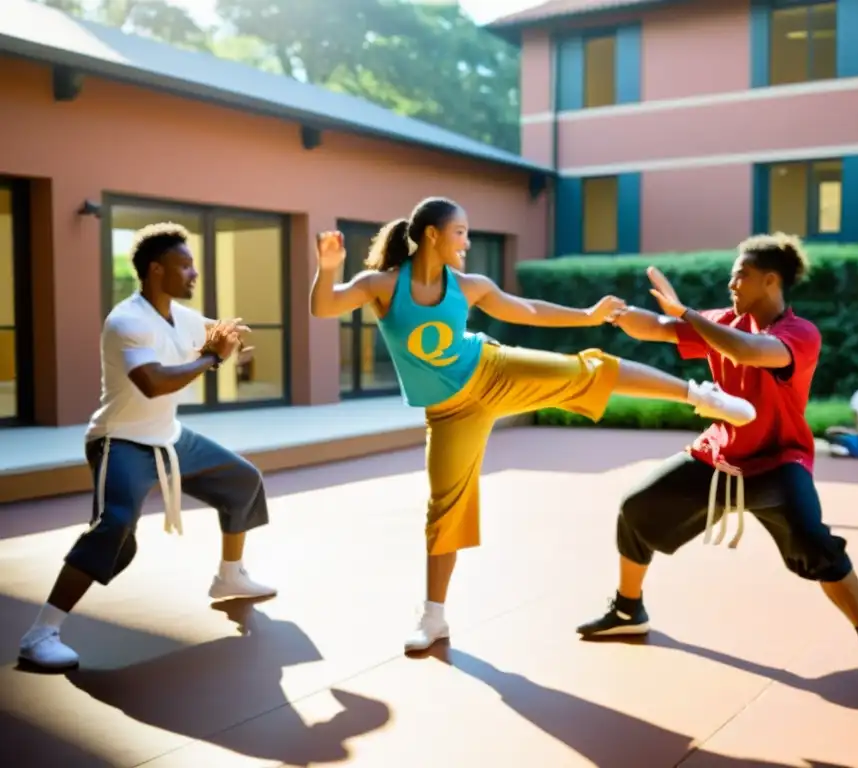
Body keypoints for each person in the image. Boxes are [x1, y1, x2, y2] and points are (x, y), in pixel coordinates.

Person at [309, 196, 757, 654]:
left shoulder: (469, 286)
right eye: (460, 232)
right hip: (450, 411)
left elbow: (528, 310)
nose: (466, 241)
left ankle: (700, 396)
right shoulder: (381, 285)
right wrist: (328, 267)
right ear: (432, 235)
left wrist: (586, 316)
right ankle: (434, 616)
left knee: (588, 370)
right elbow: (324, 307)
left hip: (493, 370)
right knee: (445, 507)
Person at [576, 233, 858, 686]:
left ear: (770, 281)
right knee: (635, 508)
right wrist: (617, 314)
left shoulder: (799, 333)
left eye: (741, 275)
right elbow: (657, 326)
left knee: (816, 544)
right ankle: (627, 609)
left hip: (778, 463)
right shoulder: (724, 320)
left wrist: (686, 315)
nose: (731, 282)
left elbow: (747, 351)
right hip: (720, 458)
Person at [17, 223, 277, 671]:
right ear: (156, 270)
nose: (194, 273)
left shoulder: (181, 315)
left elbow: (219, 333)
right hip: (121, 442)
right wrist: (212, 357)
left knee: (243, 480)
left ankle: (229, 576)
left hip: (169, 436)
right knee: (114, 527)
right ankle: (40, 633)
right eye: (185, 265)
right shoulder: (126, 321)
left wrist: (230, 338)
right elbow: (152, 382)